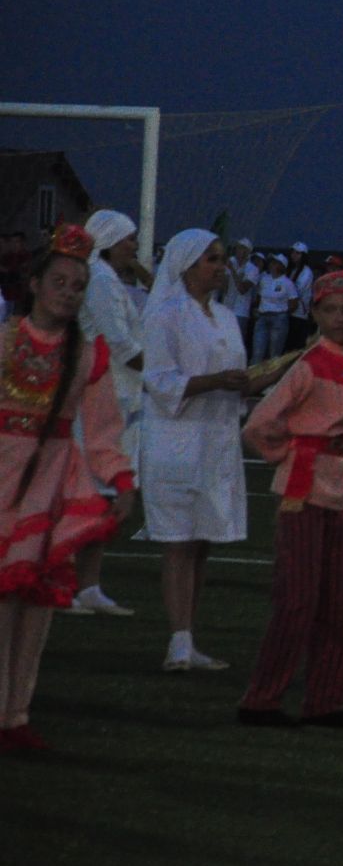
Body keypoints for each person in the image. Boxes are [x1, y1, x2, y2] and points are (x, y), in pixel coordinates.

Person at [0, 225, 137, 751]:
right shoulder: (7, 341)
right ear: (34, 283)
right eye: (58, 281)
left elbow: (103, 431)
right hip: (7, 475)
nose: (67, 292)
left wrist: (121, 481)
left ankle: (16, 714)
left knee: (34, 606)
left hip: (50, 480)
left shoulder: (86, 355)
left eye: (77, 285)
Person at [236, 270, 343, 729]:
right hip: (304, 489)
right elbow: (259, 423)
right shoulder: (307, 366)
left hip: (340, 491)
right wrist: (291, 454)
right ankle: (261, 699)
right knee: (297, 599)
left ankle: (325, 699)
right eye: (331, 309)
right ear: (316, 313)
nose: (341, 317)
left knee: (331, 601)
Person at [143, 228, 285, 672]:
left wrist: (278, 370)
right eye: (211, 259)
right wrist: (217, 381)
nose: (221, 266)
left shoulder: (223, 317)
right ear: (186, 266)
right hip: (177, 439)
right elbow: (160, 381)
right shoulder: (164, 315)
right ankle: (177, 639)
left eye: (222, 258)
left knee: (203, 542)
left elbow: (240, 377)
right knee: (178, 543)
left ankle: (188, 636)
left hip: (217, 440)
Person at [73, 209, 146, 617]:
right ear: (109, 241)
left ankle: (89, 584)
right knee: (88, 494)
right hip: (98, 397)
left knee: (103, 496)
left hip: (115, 397)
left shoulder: (109, 280)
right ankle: (66, 581)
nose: (134, 247)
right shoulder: (99, 280)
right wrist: (164, 377)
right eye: (128, 239)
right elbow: (119, 344)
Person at [251, 254, 298, 363]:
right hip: (262, 317)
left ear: (281, 266)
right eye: (272, 262)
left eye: (275, 262)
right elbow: (258, 297)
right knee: (257, 352)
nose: (271, 264)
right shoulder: (264, 279)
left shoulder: (287, 283)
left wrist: (282, 312)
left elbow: (294, 303)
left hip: (278, 319)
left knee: (274, 355)